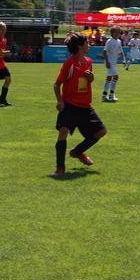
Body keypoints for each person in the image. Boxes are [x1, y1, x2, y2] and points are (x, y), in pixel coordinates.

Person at [52, 32, 107, 178]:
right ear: (79, 46)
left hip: (85, 107)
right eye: (87, 43)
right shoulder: (69, 64)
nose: (89, 45)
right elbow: (57, 85)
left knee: (101, 131)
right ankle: (60, 168)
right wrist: (60, 101)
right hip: (70, 105)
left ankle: (77, 152)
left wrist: (91, 78)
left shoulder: (88, 61)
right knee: (63, 132)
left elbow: (89, 81)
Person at [102, 27, 126, 102]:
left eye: (118, 32)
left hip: (113, 62)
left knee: (109, 78)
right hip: (109, 62)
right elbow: (105, 52)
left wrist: (124, 59)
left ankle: (104, 95)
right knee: (116, 77)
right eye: (116, 32)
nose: (117, 34)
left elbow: (121, 51)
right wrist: (107, 62)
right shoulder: (109, 41)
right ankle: (111, 95)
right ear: (112, 33)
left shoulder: (119, 41)